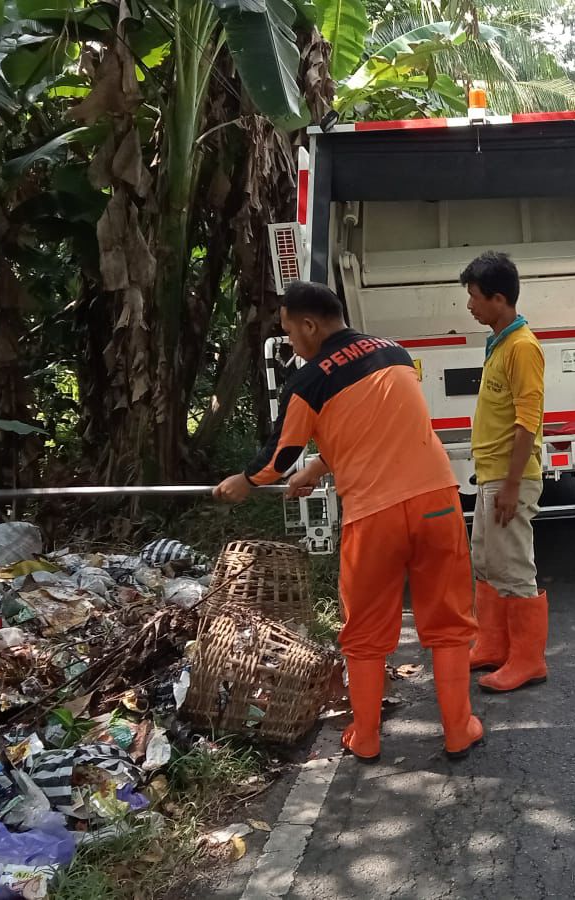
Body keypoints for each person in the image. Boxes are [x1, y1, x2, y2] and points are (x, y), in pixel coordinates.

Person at [213, 282, 482, 762]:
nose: (292, 342)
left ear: (311, 325)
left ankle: (367, 737)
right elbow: (378, 427)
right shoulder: (395, 353)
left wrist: (245, 481)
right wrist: (319, 466)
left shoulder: (308, 382)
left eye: (291, 331)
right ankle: (458, 731)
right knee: (448, 622)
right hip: (437, 504)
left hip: (374, 516)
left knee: (364, 633)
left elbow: (278, 456)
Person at [461, 252, 550, 693]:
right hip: (491, 474)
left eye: (475, 297)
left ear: (499, 298)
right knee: (486, 560)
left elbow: (526, 420)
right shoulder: (499, 341)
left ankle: (527, 660)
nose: (470, 306)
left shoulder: (522, 347)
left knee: (514, 568)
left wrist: (513, 485)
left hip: (509, 478)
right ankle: (493, 646)